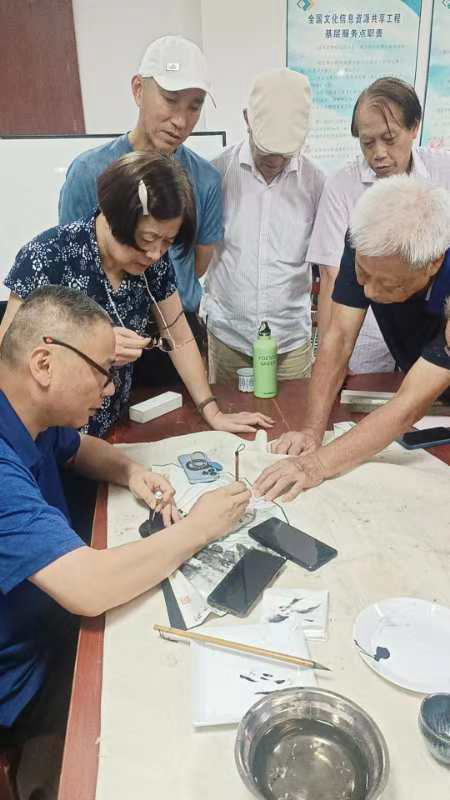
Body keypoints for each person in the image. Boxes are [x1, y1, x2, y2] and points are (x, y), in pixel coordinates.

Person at [0, 285, 251, 800]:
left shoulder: (28, 412)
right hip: (24, 677)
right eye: (102, 372)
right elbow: (89, 588)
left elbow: (77, 448)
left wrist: (131, 471)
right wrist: (200, 527)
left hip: (54, 628)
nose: (110, 389)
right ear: (44, 364)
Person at [0, 151, 272, 439]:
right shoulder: (48, 254)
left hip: (110, 425)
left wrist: (212, 411)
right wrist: (93, 346)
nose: (155, 254)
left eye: (167, 242)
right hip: (50, 434)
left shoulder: (153, 263)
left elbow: (178, 335)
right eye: (147, 239)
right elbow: (7, 354)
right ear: (113, 217)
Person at [253, 175, 450, 501]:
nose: (369, 291)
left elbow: (408, 406)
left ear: (434, 263)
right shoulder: (367, 241)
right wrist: (311, 431)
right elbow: (339, 337)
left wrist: (315, 466)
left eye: (388, 285)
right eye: (363, 275)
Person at [59, 34, 223, 329]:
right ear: (138, 90)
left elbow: (198, 264)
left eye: (194, 106)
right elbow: (72, 263)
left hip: (181, 325)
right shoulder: (88, 172)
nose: (180, 121)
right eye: (171, 100)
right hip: (106, 329)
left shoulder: (206, 179)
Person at [307, 76, 450, 373]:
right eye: (367, 143)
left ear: (414, 127)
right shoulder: (342, 185)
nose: (379, 153)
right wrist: (328, 355)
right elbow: (332, 275)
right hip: (365, 332)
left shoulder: (443, 172)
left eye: (389, 138)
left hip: (435, 328)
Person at [203, 68, 325, 384]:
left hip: (290, 339)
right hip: (229, 335)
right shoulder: (216, 174)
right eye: (268, 148)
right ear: (247, 119)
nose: (276, 160)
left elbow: (328, 270)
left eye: (286, 152)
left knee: (293, 414)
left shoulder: (316, 182)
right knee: (230, 414)